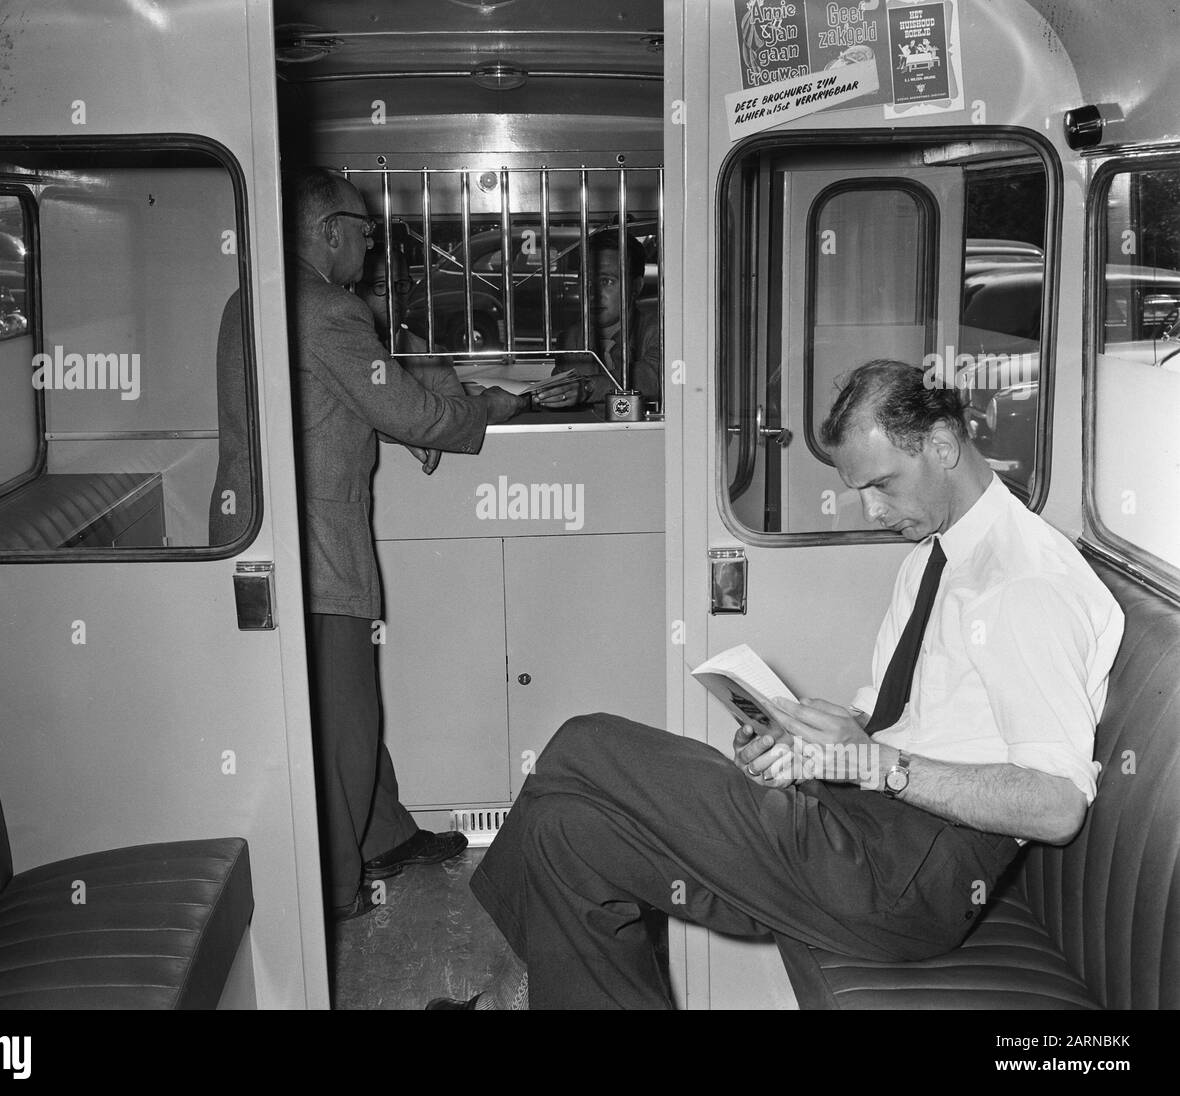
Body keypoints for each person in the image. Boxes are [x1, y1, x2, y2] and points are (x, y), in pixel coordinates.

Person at [432, 358, 1124, 1008]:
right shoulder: (935, 559)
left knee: (584, 741)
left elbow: (1057, 803)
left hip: (907, 880)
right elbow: (899, 720)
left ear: (942, 444)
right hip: (863, 828)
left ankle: (484, 967)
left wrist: (878, 764)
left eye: (882, 484)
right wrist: (808, 740)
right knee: (568, 833)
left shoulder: (1024, 583)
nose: (873, 513)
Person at [287, 168, 526, 922]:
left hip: (292, 547)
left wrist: (393, 420)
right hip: (319, 555)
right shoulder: (326, 308)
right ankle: (336, 889)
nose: (370, 245)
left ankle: (381, 835)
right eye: (364, 230)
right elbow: (410, 409)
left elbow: (333, 403)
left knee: (338, 715)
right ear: (330, 233)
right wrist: (483, 406)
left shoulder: (256, 300)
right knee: (343, 723)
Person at [356, 245, 466, 475]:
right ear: (356, 291)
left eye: (401, 286)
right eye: (380, 286)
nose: (393, 297)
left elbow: (459, 416)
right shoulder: (343, 353)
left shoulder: (432, 355)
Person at [533, 229, 661, 413]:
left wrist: (587, 388)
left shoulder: (658, 331)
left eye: (606, 281)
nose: (592, 294)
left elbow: (652, 378)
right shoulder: (572, 339)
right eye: (586, 282)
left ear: (636, 287)